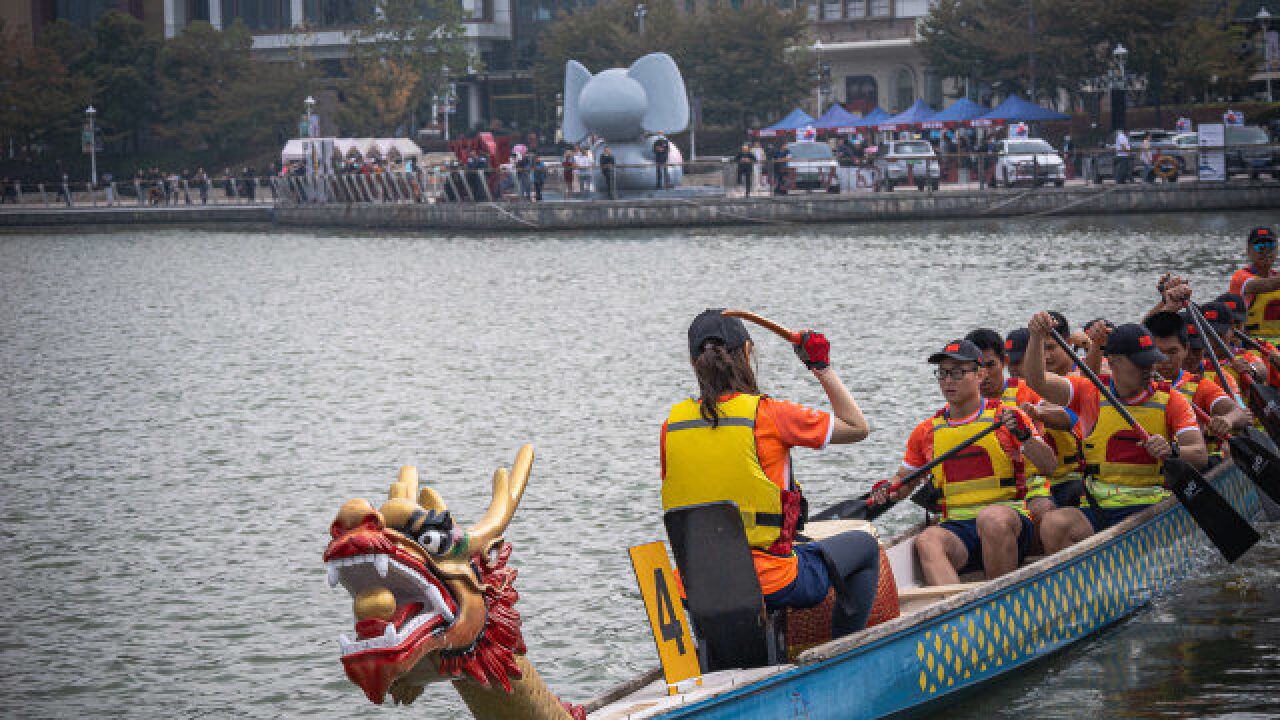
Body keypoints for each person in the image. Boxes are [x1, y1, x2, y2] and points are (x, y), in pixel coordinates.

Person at [661, 309, 877, 636]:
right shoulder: (771, 415)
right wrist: (821, 367)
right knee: (865, 548)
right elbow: (857, 427)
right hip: (771, 581)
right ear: (747, 352)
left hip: (695, 588)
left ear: (694, 364)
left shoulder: (671, 426)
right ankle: (842, 651)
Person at [872, 340, 1056, 586]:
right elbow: (903, 483)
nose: (948, 380)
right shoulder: (927, 431)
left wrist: (1024, 436)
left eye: (958, 373)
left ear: (980, 375)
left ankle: (998, 600)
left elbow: (1049, 467)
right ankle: (954, 608)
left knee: (991, 520)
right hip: (958, 530)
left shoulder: (1007, 418)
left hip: (1008, 524)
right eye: (943, 373)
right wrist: (887, 490)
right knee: (927, 540)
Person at [1025, 313, 1206, 554]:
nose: (1150, 368)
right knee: (1054, 524)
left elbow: (1200, 454)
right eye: (1141, 362)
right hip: (1098, 506)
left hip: (1151, 506)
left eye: (1151, 361)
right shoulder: (1089, 391)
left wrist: (1173, 450)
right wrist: (1036, 337)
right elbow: (1036, 381)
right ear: (1115, 361)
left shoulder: (1173, 401)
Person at [967, 328, 1083, 521]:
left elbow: (1069, 419)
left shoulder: (1025, 390)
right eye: (977, 369)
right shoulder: (960, 408)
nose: (984, 375)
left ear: (1004, 362)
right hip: (987, 495)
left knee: (1043, 511)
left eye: (990, 365)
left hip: (1032, 489)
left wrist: (1038, 412)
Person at [1146, 311, 1249, 461]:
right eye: (1158, 352)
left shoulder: (1200, 386)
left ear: (1185, 349)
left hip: (1192, 465)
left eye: (1172, 352)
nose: (1165, 360)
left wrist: (1227, 420)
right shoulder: (1134, 383)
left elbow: (1237, 412)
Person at [1229, 226, 1280, 343]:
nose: (1265, 251)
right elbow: (1267, 285)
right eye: (1259, 246)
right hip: (1253, 346)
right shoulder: (1240, 278)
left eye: (1270, 246)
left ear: (1277, 250)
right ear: (1248, 251)